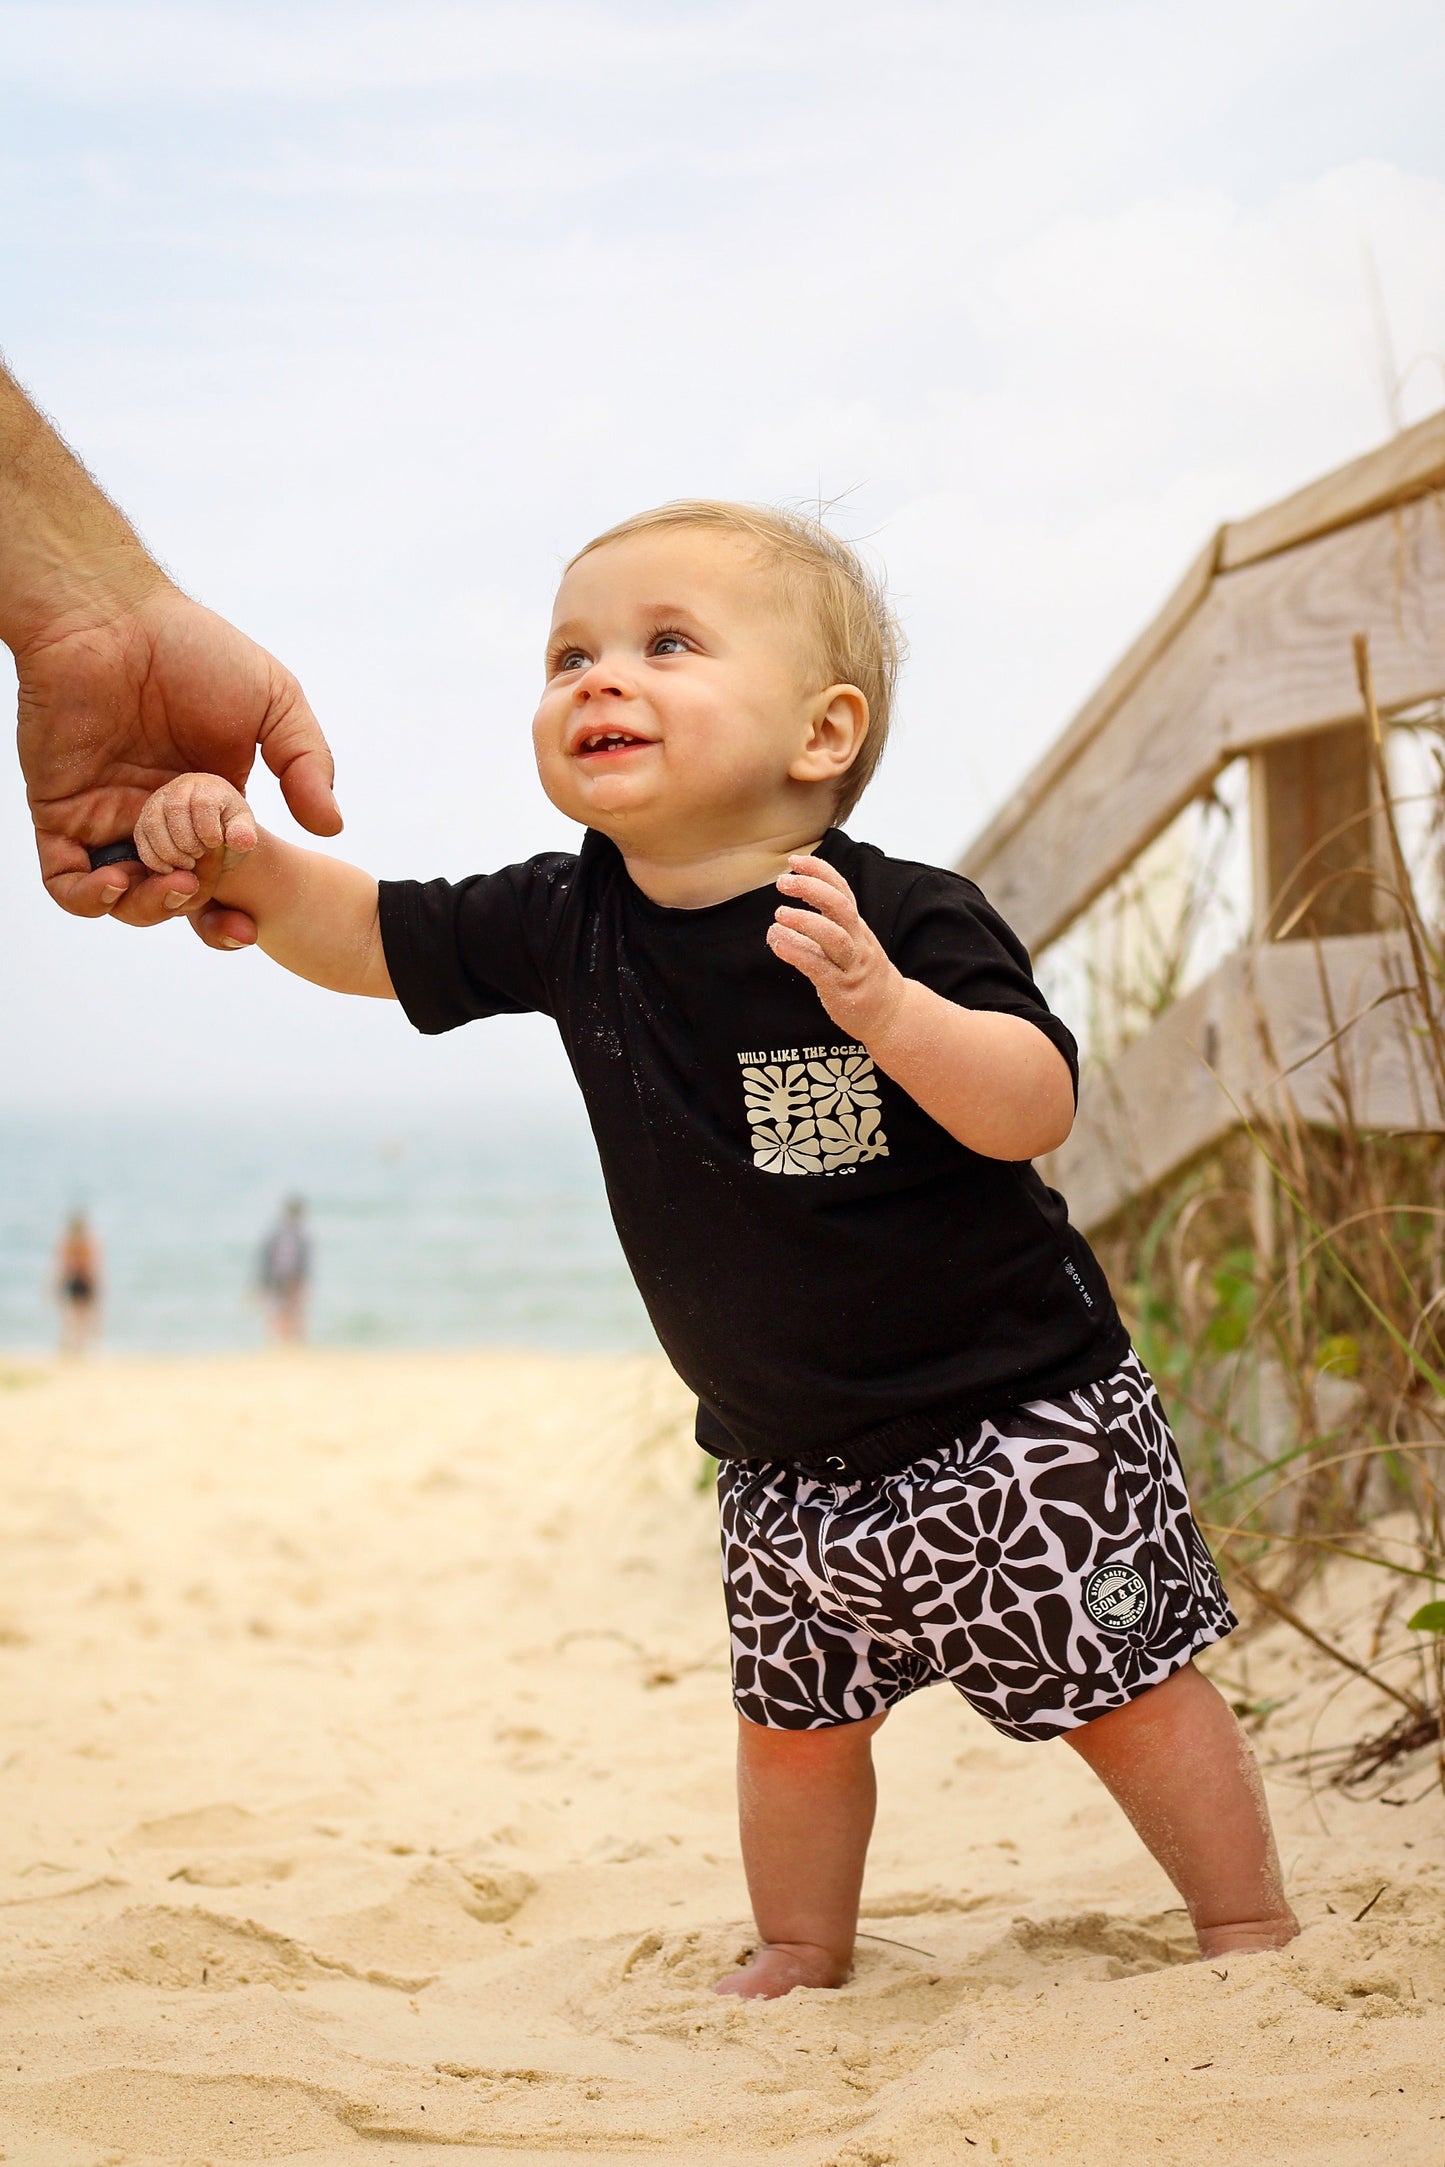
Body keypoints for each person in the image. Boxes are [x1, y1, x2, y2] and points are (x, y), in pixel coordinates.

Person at [127, 499, 1300, 1998]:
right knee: (794, 1730)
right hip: (780, 1457)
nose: (597, 678)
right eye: (570, 653)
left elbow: (1032, 1103)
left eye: (664, 643)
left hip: (1012, 1418)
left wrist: (892, 1013)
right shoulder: (571, 917)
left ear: (823, 732)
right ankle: (802, 1943)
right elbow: (366, 931)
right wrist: (242, 856)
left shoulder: (893, 914)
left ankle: (1244, 1926)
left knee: (1127, 1690)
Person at [0, 359, 340, 944]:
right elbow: (363, 931)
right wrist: (218, 834)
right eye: (559, 659)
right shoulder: (526, 909)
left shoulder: (543, 911)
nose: (562, 683)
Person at [256, 1197, 311, 1344]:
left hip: (278, 1277)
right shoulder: (299, 1235)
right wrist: (303, 1281)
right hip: (291, 1277)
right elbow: (304, 1260)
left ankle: (281, 1340)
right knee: (293, 1309)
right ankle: (292, 1340)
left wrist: (264, 1280)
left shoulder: (277, 1233)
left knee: (280, 1308)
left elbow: (266, 1257)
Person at [53, 1209, 102, 1356]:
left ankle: (75, 1346)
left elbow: (64, 1266)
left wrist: (58, 1283)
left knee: (75, 1316)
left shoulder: (72, 1243)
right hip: (82, 1280)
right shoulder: (85, 1243)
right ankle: (79, 1346)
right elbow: (93, 1266)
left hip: (77, 1280)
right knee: (80, 1316)